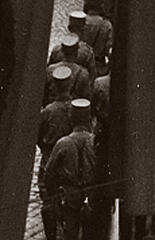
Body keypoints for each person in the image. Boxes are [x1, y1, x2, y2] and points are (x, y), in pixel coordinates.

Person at [41, 99, 96, 240]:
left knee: (70, 233)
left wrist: (54, 195)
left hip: (69, 197)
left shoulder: (63, 144)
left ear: (72, 118)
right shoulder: (95, 141)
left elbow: (48, 174)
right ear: (88, 118)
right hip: (91, 197)